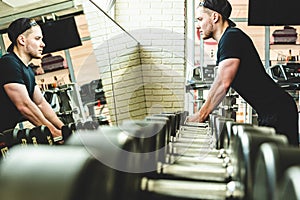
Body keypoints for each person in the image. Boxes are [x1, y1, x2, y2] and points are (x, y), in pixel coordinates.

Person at [188, 0, 299, 146]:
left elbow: (223, 82)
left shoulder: (231, 38)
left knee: (280, 163)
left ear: (215, 17)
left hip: (279, 111)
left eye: (200, 19)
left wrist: (201, 115)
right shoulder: (228, 39)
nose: (198, 25)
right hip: (271, 111)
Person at [0, 18, 64, 139]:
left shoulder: (28, 70)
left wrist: (63, 129)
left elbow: (40, 103)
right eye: (37, 39)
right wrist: (52, 133)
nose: (43, 44)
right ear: (22, 40)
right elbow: (24, 105)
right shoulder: (8, 63)